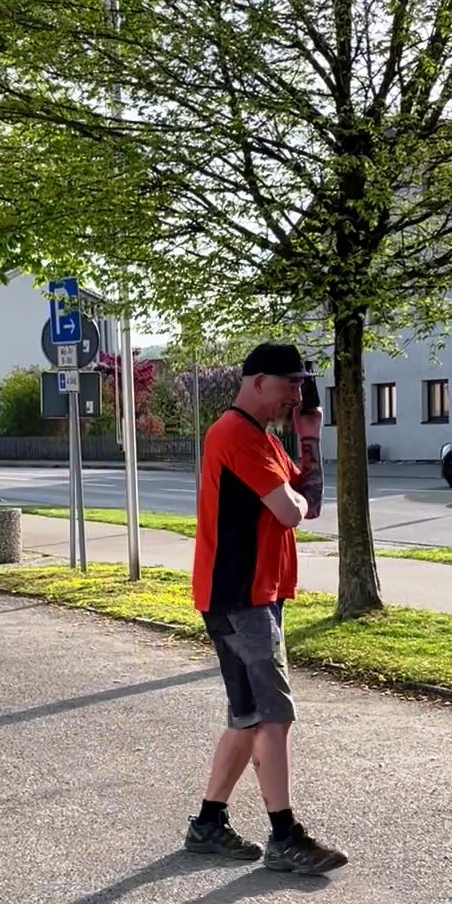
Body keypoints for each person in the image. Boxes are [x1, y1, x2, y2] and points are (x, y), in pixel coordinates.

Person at [183, 342, 348, 876]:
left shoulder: (265, 438)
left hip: (255, 594)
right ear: (257, 381)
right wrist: (294, 501)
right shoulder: (235, 435)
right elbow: (290, 510)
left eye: (301, 385)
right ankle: (284, 835)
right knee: (272, 714)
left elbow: (310, 504)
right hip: (240, 598)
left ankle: (208, 824)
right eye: (289, 384)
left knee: (248, 716)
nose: (296, 394)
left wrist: (309, 436)